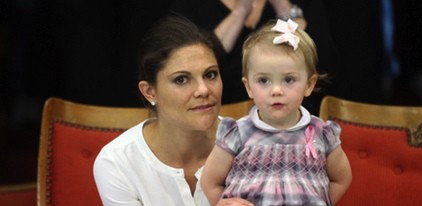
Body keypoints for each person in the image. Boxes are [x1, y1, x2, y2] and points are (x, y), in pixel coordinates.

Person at [93, 15, 252, 206]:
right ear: (150, 92)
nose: (203, 90)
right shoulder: (118, 162)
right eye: (181, 79)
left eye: (210, 74)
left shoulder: (251, 146)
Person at [201, 19, 352, 206]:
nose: (276, 90)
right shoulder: (238, 133)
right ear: (248, 87)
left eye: (288, 80)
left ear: (309, 84)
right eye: (264, 80)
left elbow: (341, 178)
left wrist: (322, 200)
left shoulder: (321, 133)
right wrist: (222, 203)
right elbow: (210, 181)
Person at [169, 0, 339, 115]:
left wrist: (283, 7)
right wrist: (241, 11)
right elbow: (197, 59)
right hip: (220, 114)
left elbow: (321, 60)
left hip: (290, 114)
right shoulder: (194, 5)